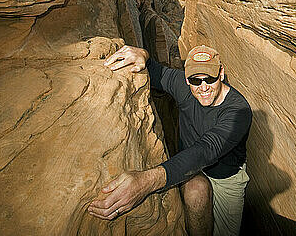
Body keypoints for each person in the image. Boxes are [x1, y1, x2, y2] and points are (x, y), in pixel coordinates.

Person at [87, 44, 252, 236]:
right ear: (186, 79)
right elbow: (155, 70)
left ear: (221, 73)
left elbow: (206, 149)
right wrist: (143, 53)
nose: (203, 86)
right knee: (196, 189)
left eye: (210, 78)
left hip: (225, 176)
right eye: (195, 80)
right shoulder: (183, 86)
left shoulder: (238, 111)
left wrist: (145, 182)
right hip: (191, 169)